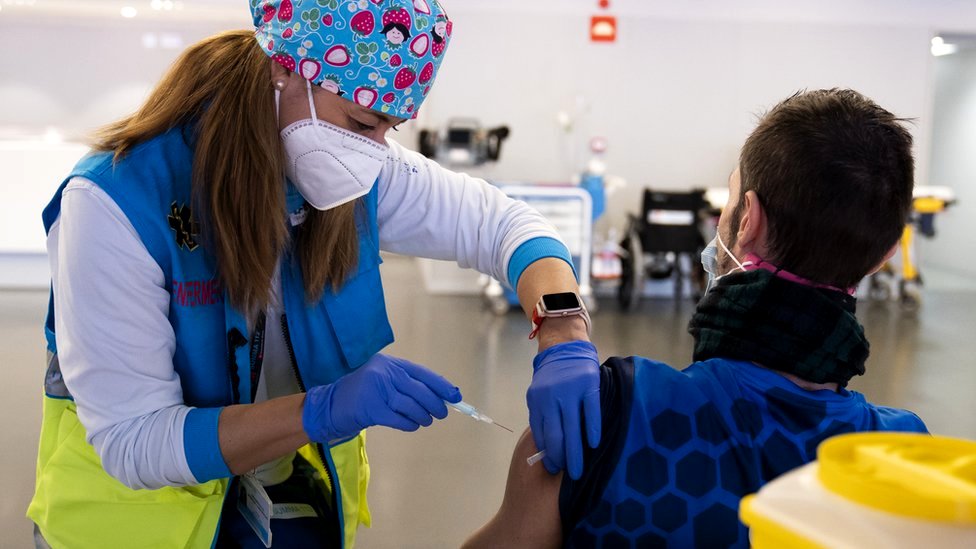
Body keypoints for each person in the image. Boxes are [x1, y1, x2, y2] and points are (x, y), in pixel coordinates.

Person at [27, 1, 601, 547]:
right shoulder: (117, 203)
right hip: (138, 526)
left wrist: (563, 334)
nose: (374, 152)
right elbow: (133, 441)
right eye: (363, 120)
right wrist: (321, 410)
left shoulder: (349, 162)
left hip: (282, 504)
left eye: (390, 128)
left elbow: (505, 226)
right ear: (284, 70)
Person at [463, 89, 928, 548]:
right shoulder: (906, 458)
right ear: (884, 256)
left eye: (732, 197)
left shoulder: (598, 419)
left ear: (746, 220)